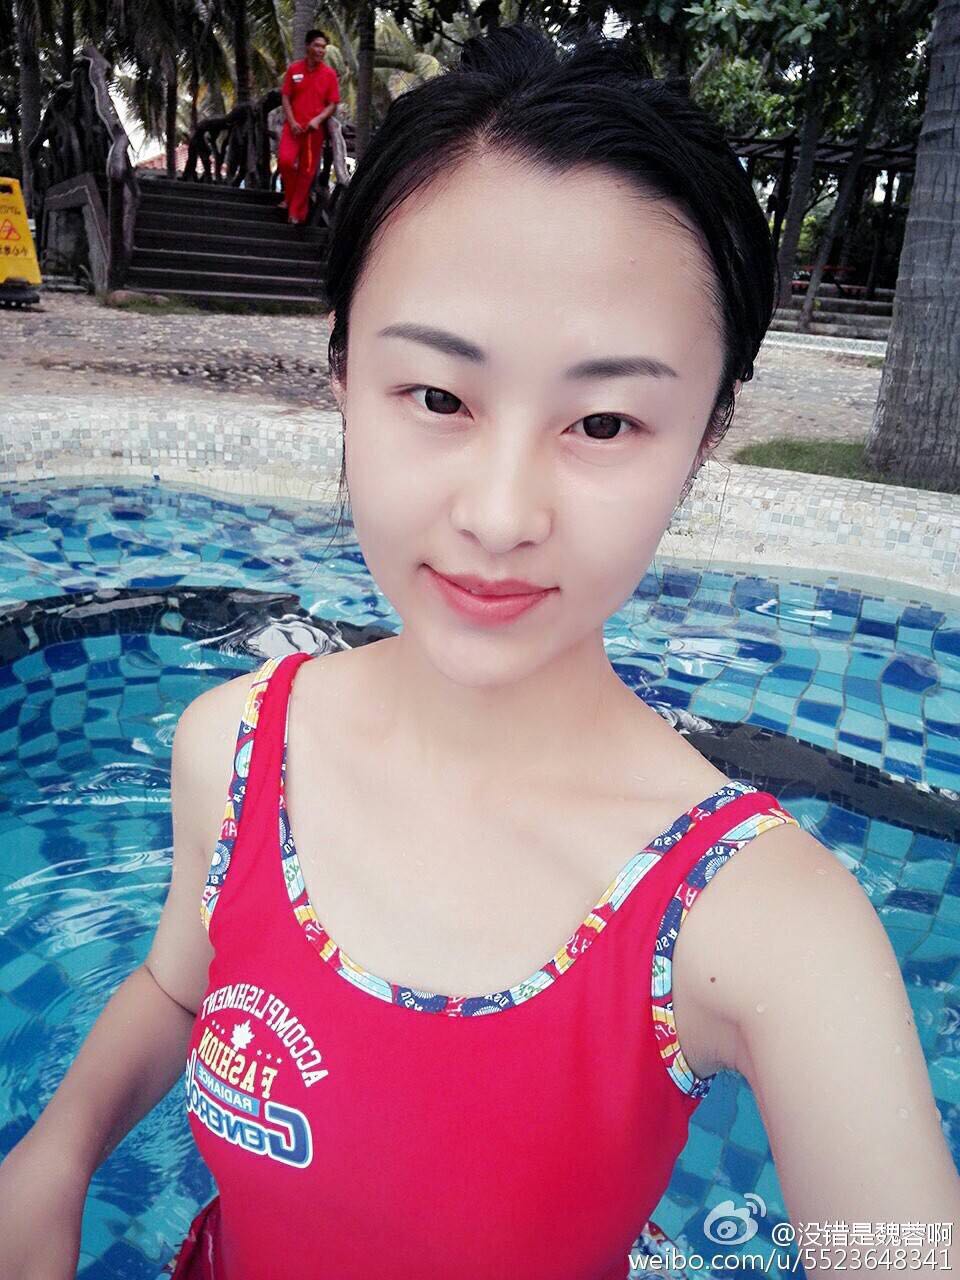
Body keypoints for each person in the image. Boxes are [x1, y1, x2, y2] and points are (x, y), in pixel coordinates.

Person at [1, 22, 957, 1280]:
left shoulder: (765, 922)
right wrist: (58, 1151)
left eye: (603, 422)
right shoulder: (233, 748)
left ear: (705, 438)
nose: (502, 516)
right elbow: (180, 989)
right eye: (440, 397)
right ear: (343, 373)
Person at [277, 28, 340, 225]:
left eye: (323, 47)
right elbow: (286, 97)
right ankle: (290, 198)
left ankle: (295, 212)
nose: (320, 50)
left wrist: (318, 120)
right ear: (307, 46)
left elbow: (333, 104)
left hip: (314, 132)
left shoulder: (329, 74)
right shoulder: (294, 69)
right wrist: (292, 121)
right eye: (317, 46)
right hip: (292, 128)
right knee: (285, 162)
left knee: (307, 171)